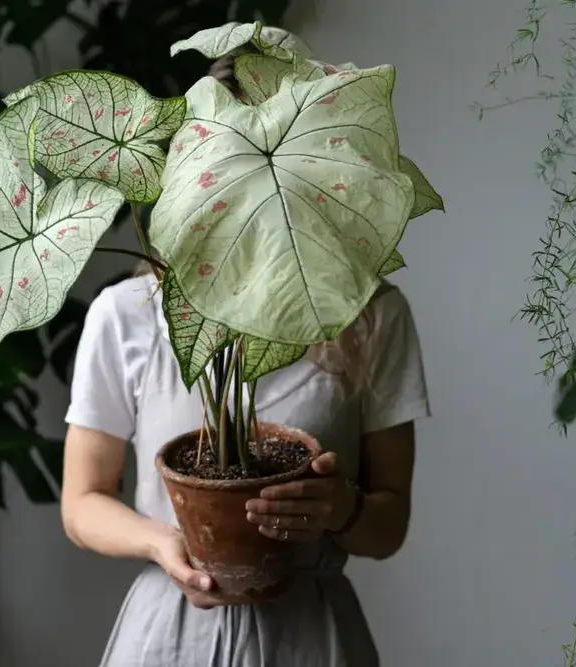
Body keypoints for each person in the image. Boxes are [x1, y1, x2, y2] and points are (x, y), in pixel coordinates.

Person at [60, 54, 431, 667]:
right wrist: (165, 544)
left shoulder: (370, 313)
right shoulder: (129, 313)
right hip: (171, 633)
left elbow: (388, 527)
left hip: (310, 635)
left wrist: (343, 507)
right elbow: (81, 504)